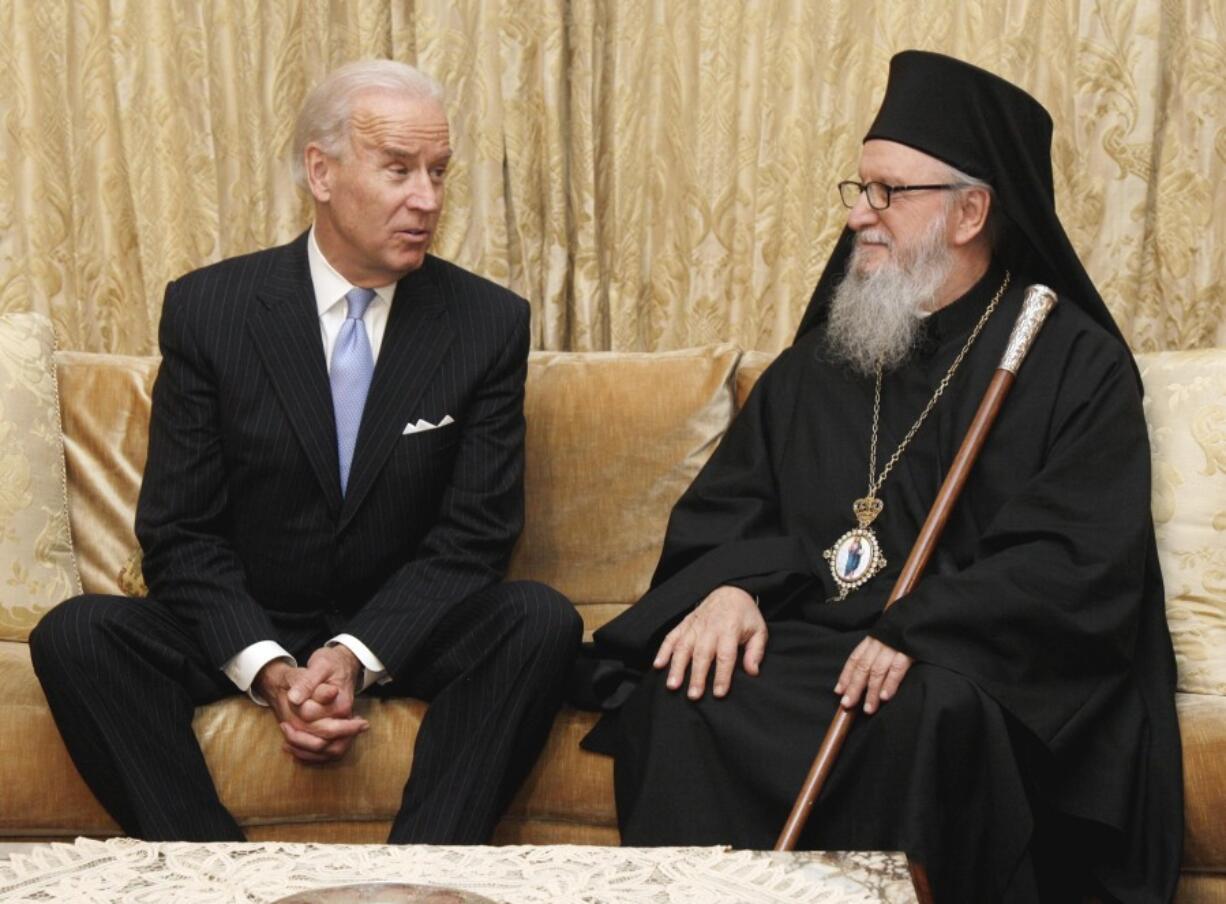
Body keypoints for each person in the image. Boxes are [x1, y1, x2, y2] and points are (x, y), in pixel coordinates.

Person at [581, 51, 1181, 902]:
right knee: (685, 689)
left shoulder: (1068, 363)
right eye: (859, 189)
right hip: (820, 647)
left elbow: (1076, 563)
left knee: (926, 711)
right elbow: (732, 510)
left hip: (964, 663)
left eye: (887, 193)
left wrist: (919, 629)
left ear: (971, 211)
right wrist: (731, 590)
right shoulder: (824, 361)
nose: (861, 215)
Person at [30, 59, 581, 844]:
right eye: (398, 170)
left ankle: (420, 877)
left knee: (540, 620)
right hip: (252, 613)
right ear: (320, 172)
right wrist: (267, 667)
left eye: (437, 172)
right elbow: (180, 530)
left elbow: (475, 536)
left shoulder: (487, 322)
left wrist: (355, 656)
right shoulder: (209, 309)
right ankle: (211, 875)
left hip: (403, 628)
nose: (426, 199)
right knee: (77, 634)